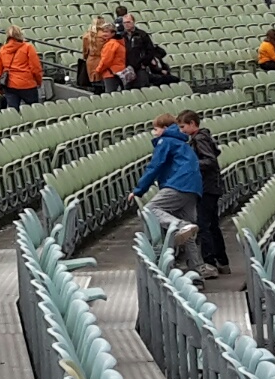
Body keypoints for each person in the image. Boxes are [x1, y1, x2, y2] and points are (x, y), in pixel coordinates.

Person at [131, 113, 203, 256]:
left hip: (179, 184)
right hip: (193, 188)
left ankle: (180, 226)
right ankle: (197, 266)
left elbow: (154, 166)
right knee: (188, 234)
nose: (154, 133)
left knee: (149, 210)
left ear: (165, 128)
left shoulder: (165, 141)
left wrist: (139, 190)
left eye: (156, 129)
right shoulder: (181, 142)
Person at [183, 109, 228, 276]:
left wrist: (192, 164)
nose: (181, 131)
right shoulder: (204, 137)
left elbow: (210, 161)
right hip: (212, 186)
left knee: (204, 225)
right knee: (213, 224)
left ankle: (209, 263)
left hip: (207, 186)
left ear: (192, 124)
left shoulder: (199, 139)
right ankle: (222, 261)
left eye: (183, 127)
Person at [0, 27, 42, 108]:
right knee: (34, 109)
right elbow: (35, 67)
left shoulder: (3, 49)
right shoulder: (28, 47)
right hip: (27, 84)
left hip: (10, 85)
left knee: (13, 111)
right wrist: (38, 81)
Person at [94, 21, 128, 92]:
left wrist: (98, 70)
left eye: (107, 32)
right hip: (120, 72)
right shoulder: (119, 42)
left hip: (111, 73)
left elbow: (106, 61)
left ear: (113, 33)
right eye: (103, 31)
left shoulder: (111, 44)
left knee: (110, 94)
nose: (104, 34)